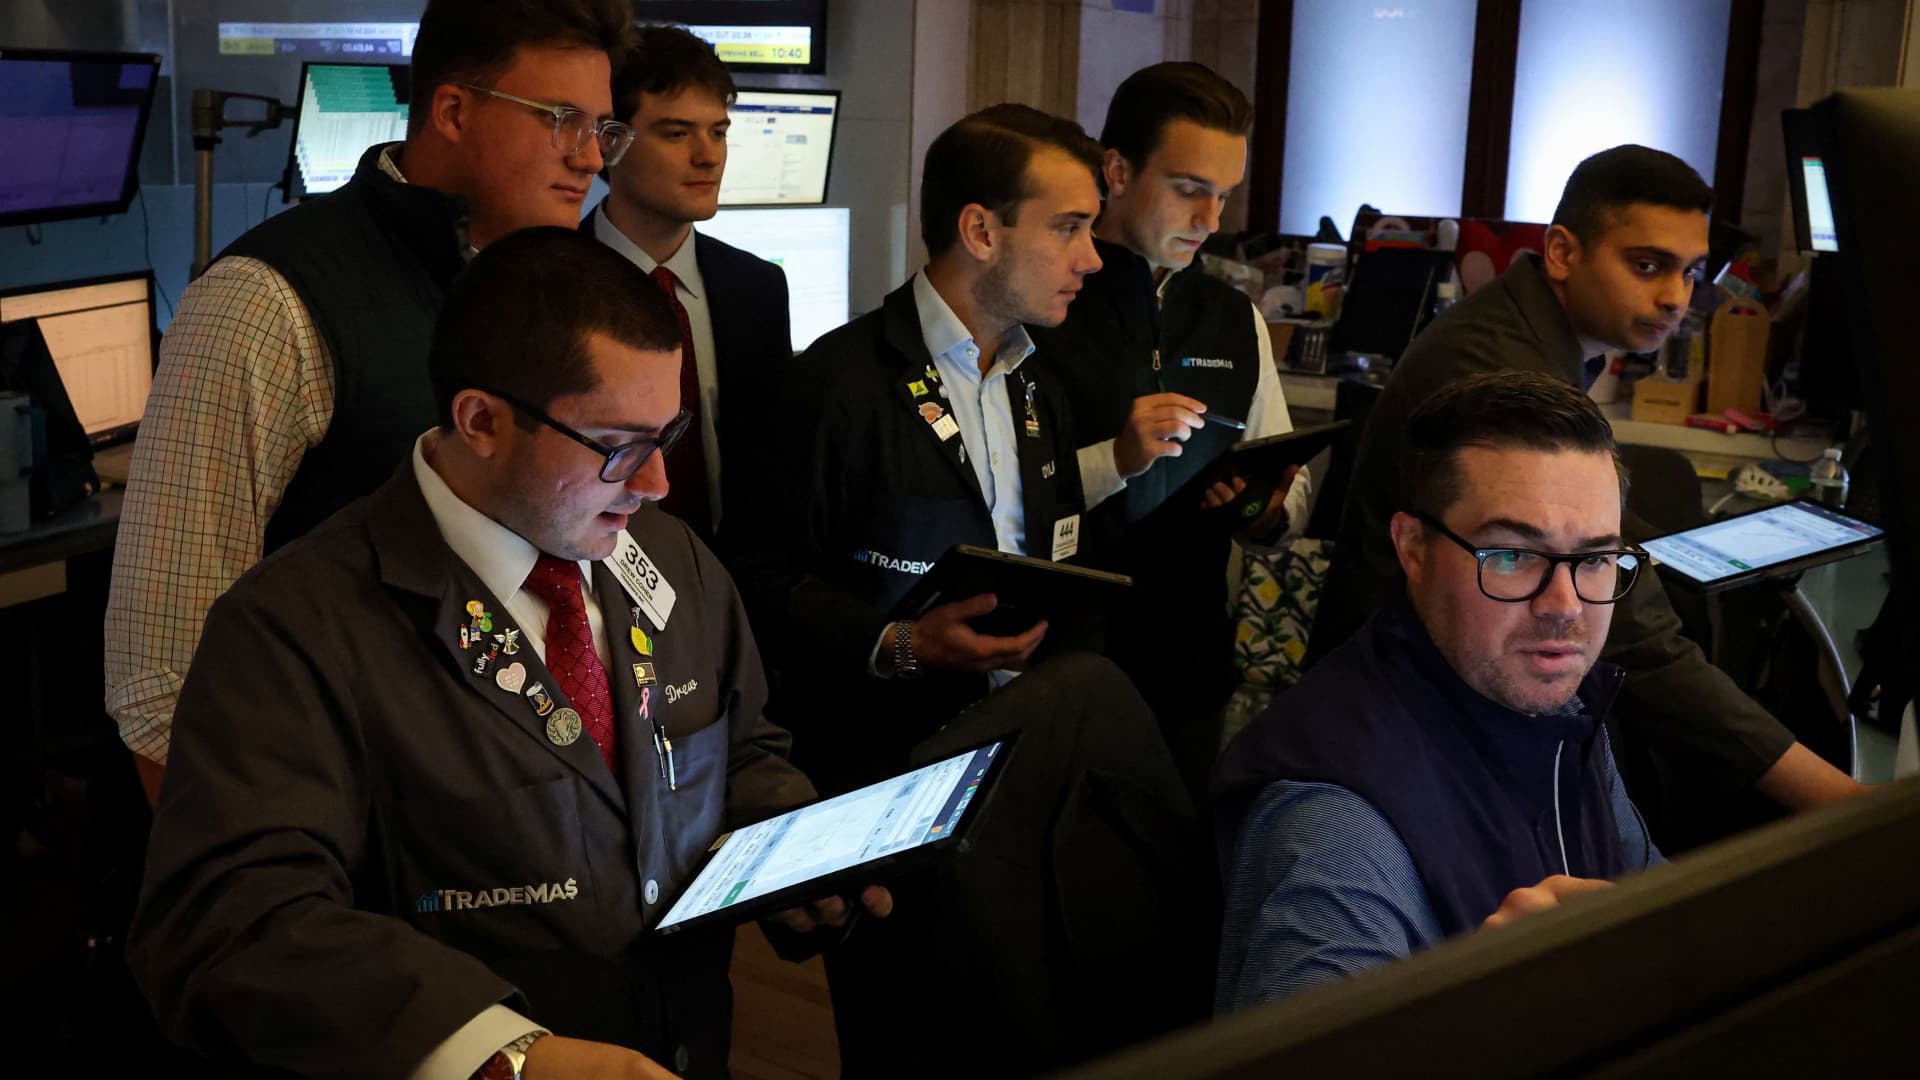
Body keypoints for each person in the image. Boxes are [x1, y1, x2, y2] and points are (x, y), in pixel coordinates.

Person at [127, 229, 888, 1079]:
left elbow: (739, 747)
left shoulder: (671, 560)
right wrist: (505, 1057)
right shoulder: (295, 626)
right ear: (481, 421)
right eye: (618, 447)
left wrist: (791, 849)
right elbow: (235, 921)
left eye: (666, 434)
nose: (656, 485)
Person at [105, 0, 637, 799]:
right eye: (562, 120)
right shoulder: (268, 301)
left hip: (537, 813)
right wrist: (261, 892)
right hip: (347, 826)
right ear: (453, 111)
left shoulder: (566, 293)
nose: (592, 158)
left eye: (602, 128)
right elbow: (166, 678)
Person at [1308, 144, 1863, 835]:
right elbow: (1636, 641)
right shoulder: (1500, 372)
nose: (1675, 297)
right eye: (1647, 265)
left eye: (1690, 272)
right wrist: (1850, 805)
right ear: (1564, 252)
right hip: (1404, 722)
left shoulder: (1536, 339)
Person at [1213, 372, 1662, 1010]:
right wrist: (1483, 1015)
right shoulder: (1338, 822)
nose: (1564, 607)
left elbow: (1655, 907)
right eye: (1512, 556)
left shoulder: (1558, 701)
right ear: (1414, 548)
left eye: (1594, 558)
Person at [727, 104, 1104, 798]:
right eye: (1068, 228)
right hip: (876, 764)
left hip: (1020, 751)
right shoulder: (835, 381)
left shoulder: (1040, 383)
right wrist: (903, 642)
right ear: (981, 231)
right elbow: (758, 576)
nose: (1092, 257)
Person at [1030, 61, 1310, 783]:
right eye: (1189, 191)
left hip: (1190, 659)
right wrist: (1112, 460)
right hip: (1048, 659)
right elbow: (987, 491)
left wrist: (1262, 505)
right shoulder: (1043, 301)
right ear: (1115, 171)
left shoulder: (1232, 318)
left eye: (1223, 196)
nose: (1212, 221)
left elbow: (1288, 479)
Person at [585, 24, 792, 541]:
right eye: (677, 134)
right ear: (612, 142)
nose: (709, 156)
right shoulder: (552, 282)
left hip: (738, 582)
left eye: (718, 132)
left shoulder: (759, 289)